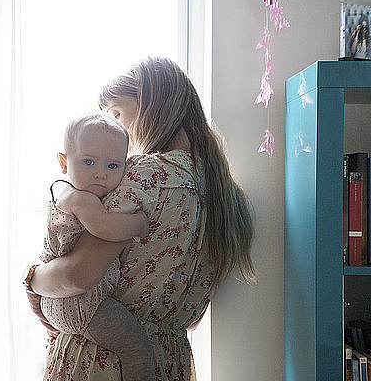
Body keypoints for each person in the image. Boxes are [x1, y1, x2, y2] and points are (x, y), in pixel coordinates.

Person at [24, 57, 256, 381]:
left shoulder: (146, 176)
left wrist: (32, 278)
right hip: (168, 361)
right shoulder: (226, 196)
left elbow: (78, 276)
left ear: (150, 104)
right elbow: (191, 319)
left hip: (101, 364)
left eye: (117, 113)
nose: (116, 129)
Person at [31, 113, 154, 381]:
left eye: (113, 166)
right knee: (137, 349)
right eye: (88, 162)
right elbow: (103, 227)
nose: (100, 173)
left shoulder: (63, 190)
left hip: (58, 298)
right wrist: (138, 224)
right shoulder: (79, 198)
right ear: (63, 162)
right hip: (85, 305)